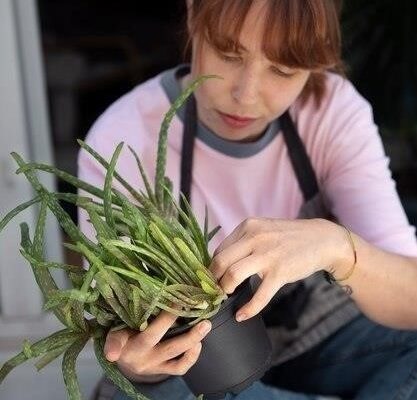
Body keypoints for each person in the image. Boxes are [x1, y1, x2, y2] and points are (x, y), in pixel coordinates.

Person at [78, 1, 417, 399]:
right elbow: (120, 338)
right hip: (198, 369)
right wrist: (141, 362)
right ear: (192, 15)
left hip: (320, 340)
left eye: (283, 70)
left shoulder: (331, 113)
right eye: (229, 54)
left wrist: (338, 248)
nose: (246, 95)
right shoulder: (124, 139)